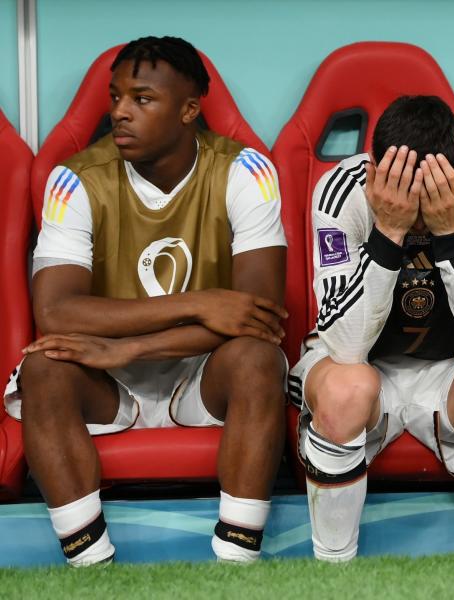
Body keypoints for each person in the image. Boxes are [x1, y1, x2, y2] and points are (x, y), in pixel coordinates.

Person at [4, 36, 288, 565]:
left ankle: (238, 557)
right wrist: (200, 302)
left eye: (142, 99)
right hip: (106, 382)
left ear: (188, 109)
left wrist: (130, 346)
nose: (120, 113)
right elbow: (58, 312)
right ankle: (91, 562)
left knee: (258, 359)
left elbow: (259, 317)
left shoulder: (246, 171)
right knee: (43, 366)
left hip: (206, 373)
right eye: (115, 98)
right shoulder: (74, 179)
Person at [289, 95, 454, 562]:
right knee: (345, 386)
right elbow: (344, 346)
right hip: (364, 370)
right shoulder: (341, 188)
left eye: (432, 194)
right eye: (401, 191)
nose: (417, 210)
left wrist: (451, 233)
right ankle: (332, 573)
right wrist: (388, 232)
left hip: (452, 375)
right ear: (375, 173)